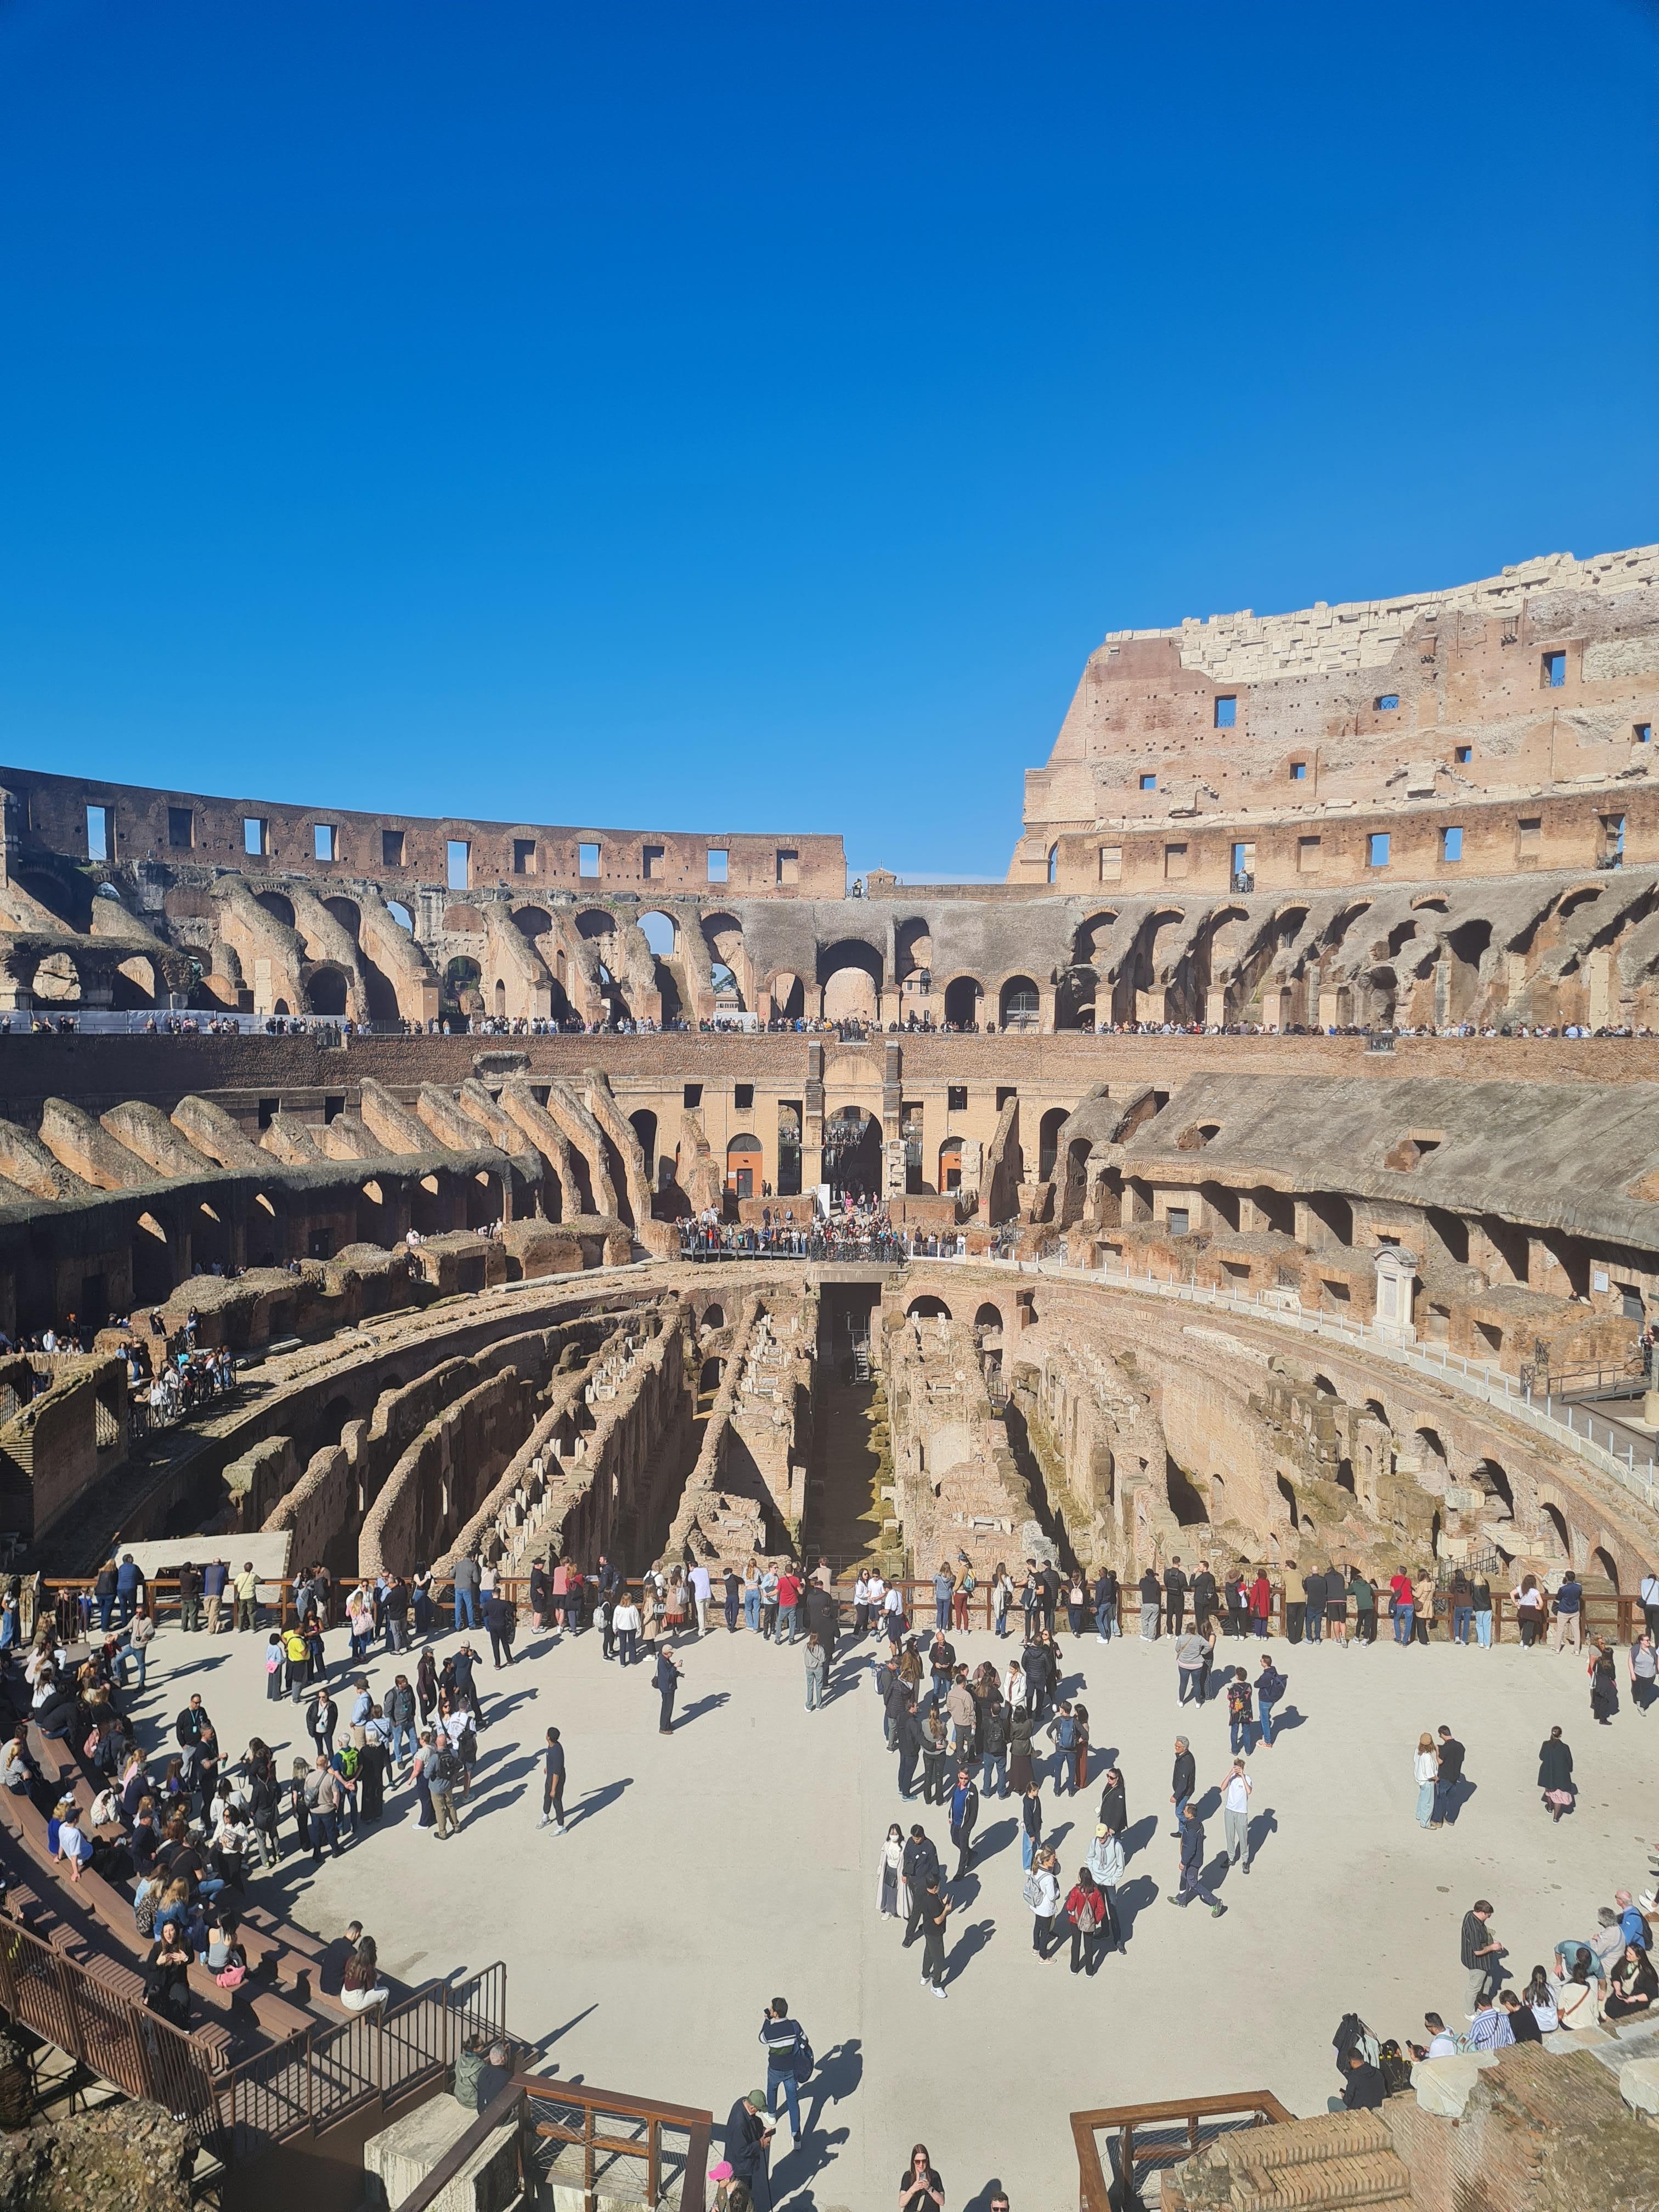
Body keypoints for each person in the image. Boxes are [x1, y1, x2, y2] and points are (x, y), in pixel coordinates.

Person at [759, 1997, 806, 2140]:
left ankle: (772, 2115)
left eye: (771, 2009)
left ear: (775, 2014)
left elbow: (762, 2038)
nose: (770, 2009)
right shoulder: (794, 2026)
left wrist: (767, 2021)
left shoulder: (771, 2031)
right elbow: (804, 2040)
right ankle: (795, 2134)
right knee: (793, 2101)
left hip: (775, 2069)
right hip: (791, 2070)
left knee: (772, 2089)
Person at [724, 2092, 775, 2212]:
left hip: (739, 2161)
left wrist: (763, 2131)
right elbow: (742, 2151)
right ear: (752, 2108)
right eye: (758, 2110)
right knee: (741, 2193)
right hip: (740, 2166)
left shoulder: (741, 2102)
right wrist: (761, 2144)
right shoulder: (739, 2124)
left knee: (744, 2189)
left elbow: (752, 2122)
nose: (758, 2112)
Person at [1170, 1800, 1222, 1916]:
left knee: (1193, 1883)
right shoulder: (1197, 1824)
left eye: (1185, 1810)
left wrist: (1183, 1862)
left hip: (1192, 1861)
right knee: (1184, 1877)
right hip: (1192, 1859)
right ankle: (1182, 1899)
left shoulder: (1192, 1829)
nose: (1183, 1811)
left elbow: (1191, 1849)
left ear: (1190, 1814)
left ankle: (1215, 1901)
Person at [1086, 1824, 1125, 1954]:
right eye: (1099, 1838)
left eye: (1102, 1838)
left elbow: (1121, 1866)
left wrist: (1113, 1880)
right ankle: (1105, 1931)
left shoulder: (1116, 1846)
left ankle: (1118, 1940)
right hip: (1097, 1881)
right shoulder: (1094, 1842)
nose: (1100, 1840)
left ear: (1108, 1834)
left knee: (1113, 1910)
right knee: (1100, 1908)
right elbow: (1090, 1858)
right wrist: (1093, 1873)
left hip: (1109, 1882)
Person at [1462, 1899, 1503, 2010]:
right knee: (1474, 1987)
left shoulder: (1470, 1914)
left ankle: (1484, 2006)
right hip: (1476, 1962)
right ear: (1481, 1913)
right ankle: (1469, 2012)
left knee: (1487, 1982)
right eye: (1488, 1916)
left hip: (1483, 1961)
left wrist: (1491, 1943)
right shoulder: (1474, 1929)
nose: (1488, 1918)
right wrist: (1492, 1947)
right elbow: (1478, 1951)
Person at [918, 1870, 952, 1996]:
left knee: (929, 1953)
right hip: (935, 1933)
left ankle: (925, 1975)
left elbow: (932, 1910)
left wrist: (942, 1903)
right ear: (936, 1887)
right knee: (939, 1960)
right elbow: (938, 1920)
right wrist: (946, 1910)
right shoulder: (932, 1901)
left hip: (927, 1930)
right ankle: (936, 1985)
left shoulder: (925, 1895)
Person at [1604, 1944, 1658, 2022]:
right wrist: (1618, 1989)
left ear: (1638, 1957)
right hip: (1621, 1995)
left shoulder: (1646, 1973)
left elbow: (1653, 1993)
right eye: (1627, 1951)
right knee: (1611, 2009)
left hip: (1636, 2003)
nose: (1627, 1954)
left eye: (1631, 1954)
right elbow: (1615, 1974)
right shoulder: (1623, 1961)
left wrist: (1634, 1998)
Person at [342, 1935, 391, 2016]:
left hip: (344, 1996)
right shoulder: (368, 1967)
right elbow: (371, 1988)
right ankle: (378, 2017)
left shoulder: (352, 1959)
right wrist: (374, 1976)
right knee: (385, 1992)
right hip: (356, 2002)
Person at [1025, 1846, 1061, 1958]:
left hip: (1037, 1905)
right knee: (1045, 1933)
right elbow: (1052, 1896)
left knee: (1037, 1927)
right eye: (1052, 1860)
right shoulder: (1049, 1878)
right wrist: (1058, 1892)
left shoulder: (1036, 1869)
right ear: (1046, 1862)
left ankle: (1036, 1948)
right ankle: (1043, 1956)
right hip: (1046, 1909)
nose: (1054, 1862)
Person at [1220, 1758, 1252, 1874]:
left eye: (1239, 1768)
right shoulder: (1231, 1778)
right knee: (1230, 1836)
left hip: (1241, 1813)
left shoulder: (1247, 1779)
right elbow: (1222, 1788)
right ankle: (1231, 1858)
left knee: (1243, 1838)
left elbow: (1249, 1791)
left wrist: (1243, 1776)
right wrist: (1230, 1774)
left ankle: (1245, 1860)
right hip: (1229, 1811)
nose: (1237, 1770)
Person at [1327, 2049, 1386, 2113]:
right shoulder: (1377, 2072)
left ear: (1353, 2063)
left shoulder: (1354, 2077)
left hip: (1360, 2110)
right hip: (1378, 2107)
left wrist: (1344, 2096)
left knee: (1331, 2101)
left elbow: (1348, 2101)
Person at [948, 1766, 978, 1881]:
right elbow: (954, 1801)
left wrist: (968, 1827)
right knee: (955, 1841)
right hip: (955, 1821)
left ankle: (960, 1872)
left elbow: (974, 1811)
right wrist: (950, 1815)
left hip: (964, 1825)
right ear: (958, 1776)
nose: (963, 1781)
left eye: (965, 1778)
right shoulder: (957, 1786)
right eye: (961, 1778)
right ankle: (969, 1853)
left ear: (969, 1777)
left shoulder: (972, 1790)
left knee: (962, 1846)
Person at [1538, 1726, 1575, 1820]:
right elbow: (1569, 1761)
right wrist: (1570, 1770)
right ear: (1560, 1735)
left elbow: (1541, 1757)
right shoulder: (1565, 1747)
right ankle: (1556, 1817)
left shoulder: (1546, 1744)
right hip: (1561, 1775)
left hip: (1548, 1772)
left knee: (1549, 1791)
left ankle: (1550, 1808)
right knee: (1559, 1796)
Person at [1431, 1726, 1464, 1827]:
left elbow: (1440, 1761)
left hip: (1445, 1777)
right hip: (1455, 1777)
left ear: (1442, 1734)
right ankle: (1450, 1819)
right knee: (1452, 1799)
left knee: (1439, 1798)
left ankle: (1437, 1821)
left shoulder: (1445, 1748)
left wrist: (1437, 1751)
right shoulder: (1460, 1746)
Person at [899, 2146, 944, 2212]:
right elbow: (901, 2203)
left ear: (927, 2161)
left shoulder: (934, 2176)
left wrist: (929, 2188)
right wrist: (913, 2189)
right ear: (913, 2162)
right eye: (918, 2161)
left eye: (924, 2161)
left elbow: (942, 2201)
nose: (921, 2165)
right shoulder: (908, 2176)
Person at [877, 1822, 907, 1920]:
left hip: (898, 1871)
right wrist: (880, 1867)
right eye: (892, 1833)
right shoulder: (887, 1844)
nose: (893, 1836)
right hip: (889, 1870)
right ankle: (888, 1910)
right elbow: (883, 1856)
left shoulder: (903, 1845)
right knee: (888, 1891)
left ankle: (898, 1909)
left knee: (897, 1891)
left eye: (895, 1834)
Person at [539, 1726, 566, 1832]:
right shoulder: (551, 1745)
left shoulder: (556, 1751)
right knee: (547, 1797)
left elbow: (557, 1774)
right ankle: (546, 1817)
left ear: (549, 1737)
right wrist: (548, 1767)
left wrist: (554, 1789)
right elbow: (553, 1764)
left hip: (557, 1779)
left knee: (557, 1801)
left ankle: (561, 1826)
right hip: (551, 1776)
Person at [1551, 1569, 1584, 1654]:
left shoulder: (1563, 1589)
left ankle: (1557, 1648)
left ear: (1567, 1578)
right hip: (1575, 1611)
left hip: (1564, 1611)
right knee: (1576, 1630)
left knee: (1560, 1629)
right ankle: (1577, 1650)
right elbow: (1579, 1595)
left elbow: (1558, 1598)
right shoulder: (1579, 1587)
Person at [1255, 1654, 1285, 1745]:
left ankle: (1268, 1742)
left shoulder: (1266, 1676)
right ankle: (1267, 1737)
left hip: (1265, 1700)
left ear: (1265, 1664)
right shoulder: (1273, 1671)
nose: (1260, 1661)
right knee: (1266, 1716)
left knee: (1265, 1721)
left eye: (1262, 1660)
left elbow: (1257, 1684)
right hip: (1272, 1699)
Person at [1175, 1627, 1209, 1706]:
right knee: (1197, 1683)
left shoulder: (1181, 1637)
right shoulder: (1199, 1638)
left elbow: (1177, 1649)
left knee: (1183, 1683)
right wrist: (1202, 1653)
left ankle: (1181, 1701)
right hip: (1197, 1664)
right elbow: (1209, 1646)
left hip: (1184, 1664)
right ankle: (1198, 1703)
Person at [655, 1644, 683, 1735]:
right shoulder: (662, 1662)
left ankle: (667, 1724)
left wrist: (676, 1670)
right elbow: (668, 1677)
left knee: (669, 1708)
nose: (672, 1654)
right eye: (671, 1653)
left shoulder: (665, 1660)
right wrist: (675, 1667)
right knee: (667, 1708)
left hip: (669, 1687)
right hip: (667, 1688)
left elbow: (670, 1668)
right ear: (667, 1654)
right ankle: (663, 1728)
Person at [1590, 1641, 1620, 1725]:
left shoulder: (1599, 1660)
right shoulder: (1610, 1665)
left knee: (1597, 1700)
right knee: (1604, 1703)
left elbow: (1593, 1669)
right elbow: (1613, 1676)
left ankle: (1596, 1715)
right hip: (1606, 1686)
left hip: (1598, 1683)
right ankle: (1603, 1720)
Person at [1226, 1669, 1254, 1756]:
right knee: (1247, 1731)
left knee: (1234, 1731)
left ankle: (1234, 1750)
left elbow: (1229, 1697)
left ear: (1237, 1676)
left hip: (1236, 1712)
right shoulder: (1249, 1686)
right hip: (1246, 1711)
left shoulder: (1234, 1686)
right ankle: (1248, 1751)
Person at [1170, 1737, 1195, 1833]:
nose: (1176, 1748)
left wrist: (1175, 1796)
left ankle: (1192, 1826)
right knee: (1180, 1810)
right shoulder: (1183, 1756)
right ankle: (1181, 1831)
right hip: (1181, 1790)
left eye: (1178, 1746)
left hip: (1184, 1791)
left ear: (1184, 1748)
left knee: (1179, 1812)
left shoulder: (1186, 1761)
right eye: (1175, 1745)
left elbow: (1184, 1782)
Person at [1413, 1733, 1437, 1828]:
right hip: (1427, 1782)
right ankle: (1425, 1823)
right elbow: (1430, 1774)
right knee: (1428, 1804)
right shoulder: (1427, 1757)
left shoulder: (1418, 1751)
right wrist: (1436, 1778)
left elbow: (1416, 1761)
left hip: (1420, 1779)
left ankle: (1419, 1815)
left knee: (1422, 1799)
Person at [804, 1633, 827, 1712]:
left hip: (809, 1668)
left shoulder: (806, 1647)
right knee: (819, 1686)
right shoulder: (820, 1648)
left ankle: (809, 1705)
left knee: (810, 1686)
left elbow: (804, 1653)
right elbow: (823, 1659)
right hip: (818, 1668)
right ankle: (819, 1704)